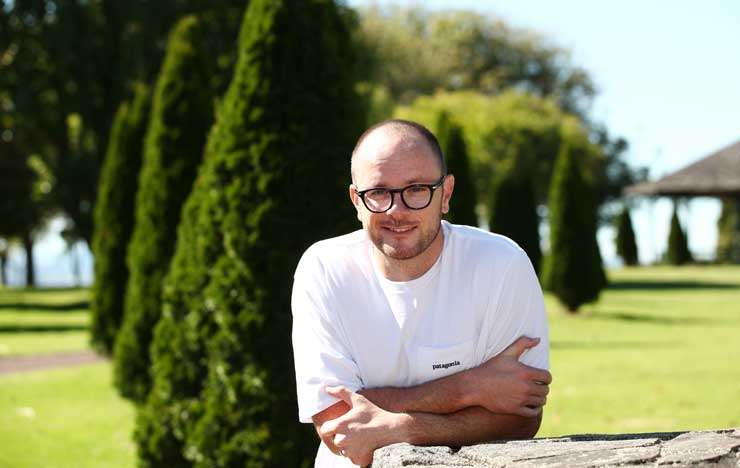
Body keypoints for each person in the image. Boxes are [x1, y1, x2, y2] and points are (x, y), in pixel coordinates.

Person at [291, 119, 551, 467]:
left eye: (416, 189)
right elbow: (337, 423)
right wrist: (470, 388)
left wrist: (399, 427)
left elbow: (522, 418)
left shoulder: (501, 266)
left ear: (445, 194)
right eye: (379, 192)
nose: (397, 211)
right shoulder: (323, 269)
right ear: (356, 200)